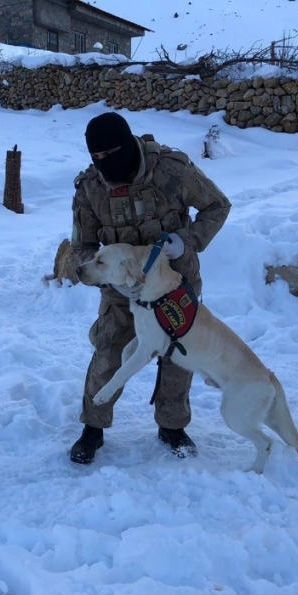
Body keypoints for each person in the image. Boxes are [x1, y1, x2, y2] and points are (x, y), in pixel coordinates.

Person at [70, 111, 232, 464]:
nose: (103, 166)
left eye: (109, 156)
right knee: (109, 351)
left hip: (175, 286)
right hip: (122, 293)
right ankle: (93, 427)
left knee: (177, 354)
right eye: (95, 159)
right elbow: (81, 245)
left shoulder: (171, 171)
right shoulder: (91, 188)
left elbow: (217, 206)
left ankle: (172, 425)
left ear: (127, 147)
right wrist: (104, 274)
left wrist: (186, 241)